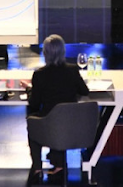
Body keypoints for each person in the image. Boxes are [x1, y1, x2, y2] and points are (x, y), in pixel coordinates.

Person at [25, 34, 90, 184]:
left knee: (33, 120)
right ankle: (59, 164)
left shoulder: (40, 75)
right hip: (70, 125)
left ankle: (37, 167)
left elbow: (34, 103)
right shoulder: (72, 71)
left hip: (47, 126)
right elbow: (84, 91)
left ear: (45, 53)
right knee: (59, 120)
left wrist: (29, 90)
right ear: (63, 52)